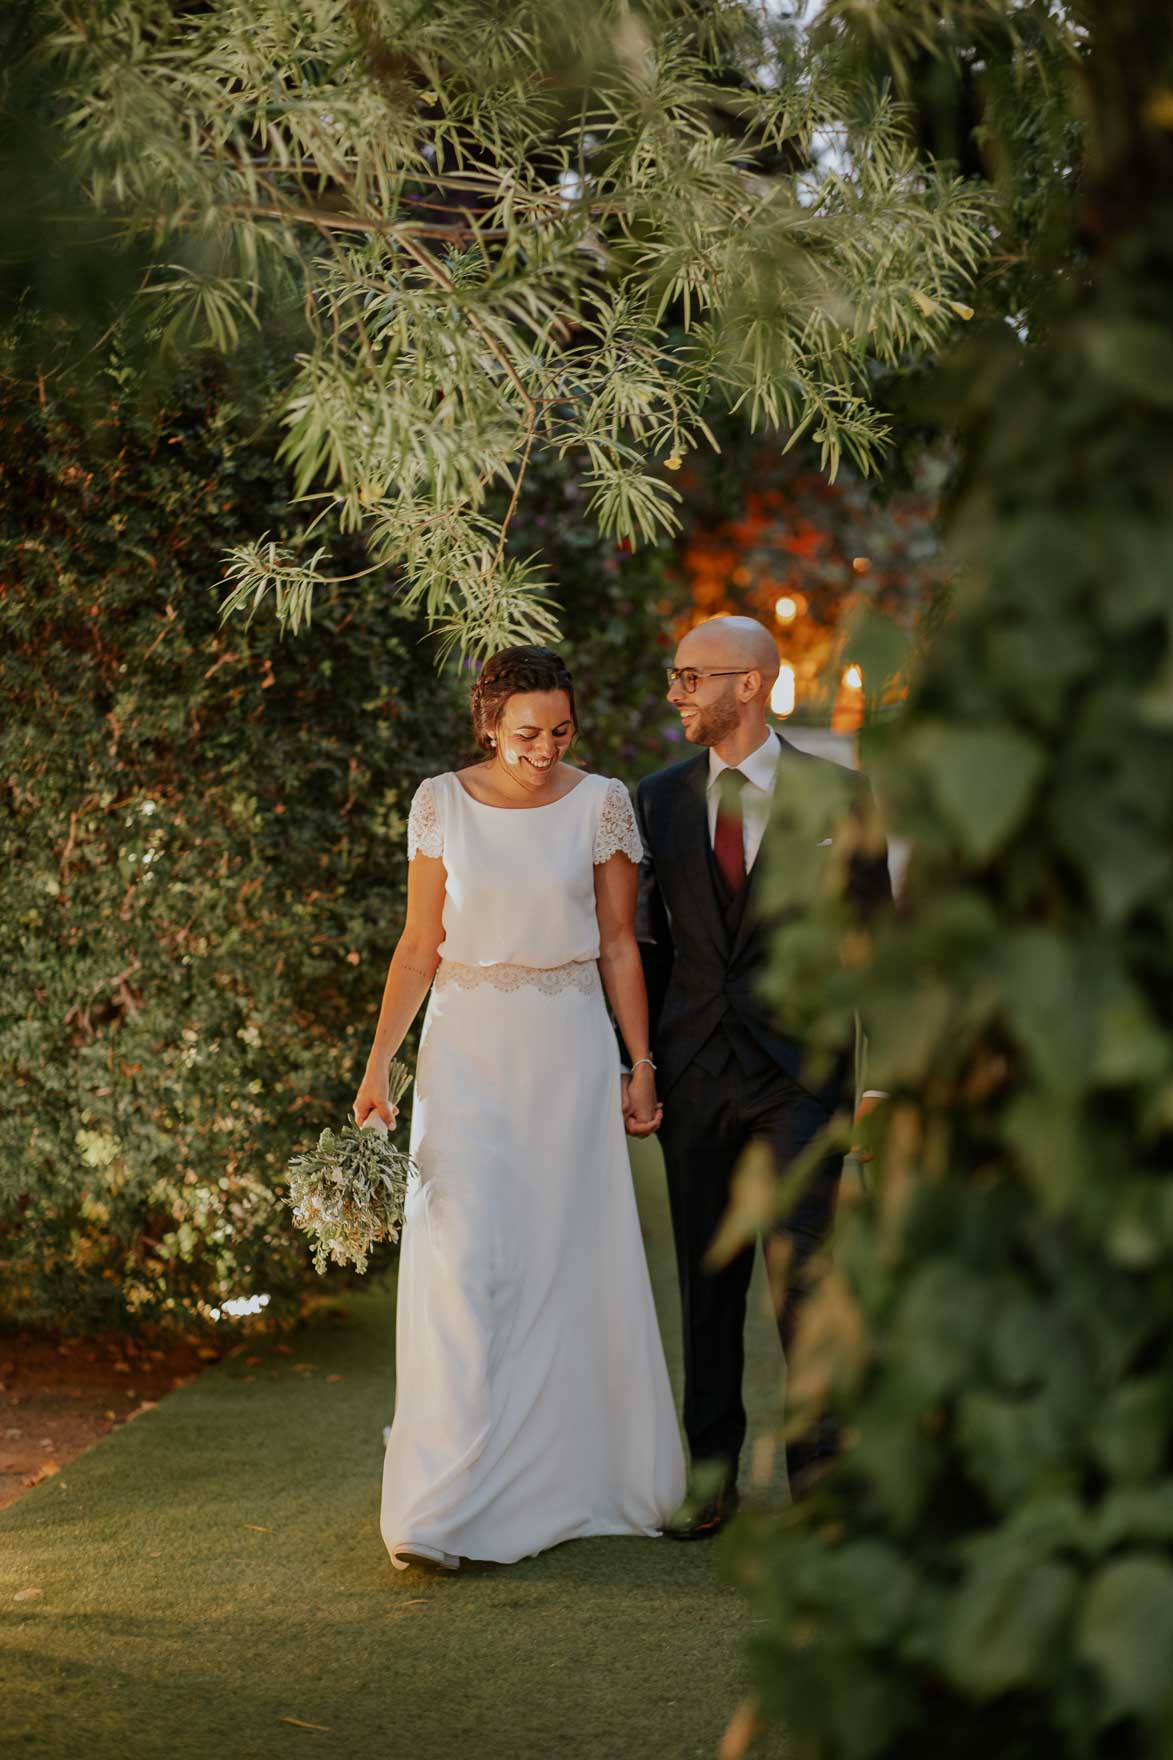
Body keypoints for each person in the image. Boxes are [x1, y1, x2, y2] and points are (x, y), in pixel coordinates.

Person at [353, 644, 686, 1570]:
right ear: (488, 723)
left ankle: (571, 1480)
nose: (545, 748)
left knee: (565, 1255)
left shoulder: (601, 801)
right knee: (461, 1264)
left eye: (561, 730)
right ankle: (436, 1506)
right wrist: (380, 1064)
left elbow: (620, 944)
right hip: (463, 1052)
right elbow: (419, 943)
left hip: (569, 1046)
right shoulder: (439, 802)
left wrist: (640, 1064)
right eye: (526, 732)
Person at [622, 616, 891, 1539]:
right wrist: (642, 1063)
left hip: (799, 1080)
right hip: (696, 1073)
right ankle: (710, 1476)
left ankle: (821, 1474)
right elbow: (647, 946)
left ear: (749, 684)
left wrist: (882, 1079)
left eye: (690, 678)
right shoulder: (654, 800)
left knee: (805, 1281)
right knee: (707, 1284)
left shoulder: (840, 794)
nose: (677, 694)